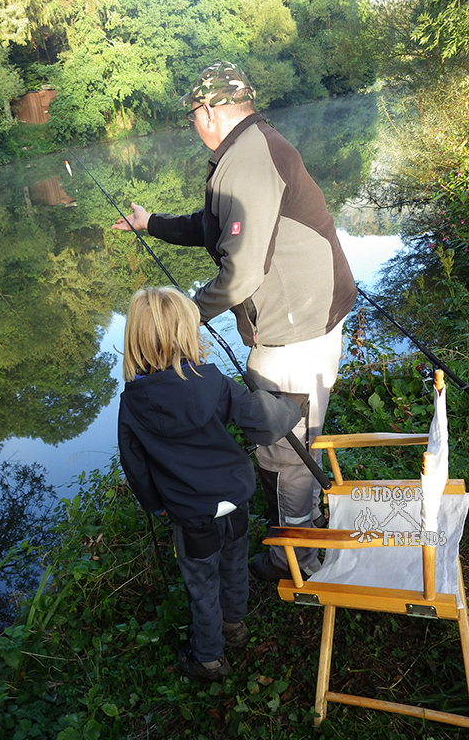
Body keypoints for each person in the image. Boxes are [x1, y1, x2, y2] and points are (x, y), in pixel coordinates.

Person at [113, 61, 358, 582]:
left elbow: (242, 272)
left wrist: (182, 319)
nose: (192, 124)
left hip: (297, 327)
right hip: (307, 314)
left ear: (208, 110)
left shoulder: (246, 160)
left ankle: (295, 558)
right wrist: (152, 223)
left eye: (192, 115)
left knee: (285, 445)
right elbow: (215, 227)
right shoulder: (250, 146)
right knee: (295, 433)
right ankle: (304, 526)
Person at [118, 287, 300, 682]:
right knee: (234, 563)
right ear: (188, 332)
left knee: (202, 584)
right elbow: (262, 418)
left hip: (192, 514)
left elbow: (134, 465)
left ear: (135, 340)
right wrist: (289, 406)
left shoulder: (132, 401)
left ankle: (208, 658)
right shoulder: (214, 380)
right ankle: (234, 625)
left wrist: (154, 504)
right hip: (235, 498)